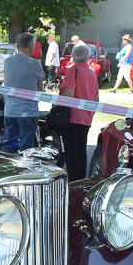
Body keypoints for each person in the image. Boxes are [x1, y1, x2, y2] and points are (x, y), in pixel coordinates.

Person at [0, 32, 45, 152]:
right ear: (31, 46)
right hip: (28, 112)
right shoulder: (35, 64)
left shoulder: (8, 62)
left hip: (10, 111)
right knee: (26, 150)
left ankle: (8, 170)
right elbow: (40, 87)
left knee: (9, 148)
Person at [59, 43, 99, 179]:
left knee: (71, 151)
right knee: (82, 150)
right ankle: (82, 179)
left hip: (72, 117)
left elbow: (69, 94)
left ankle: (73, 180)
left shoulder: (72, 71)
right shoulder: (92, 74)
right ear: (88, 57)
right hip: (86, 117)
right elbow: (96, 98)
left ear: (74, 57)